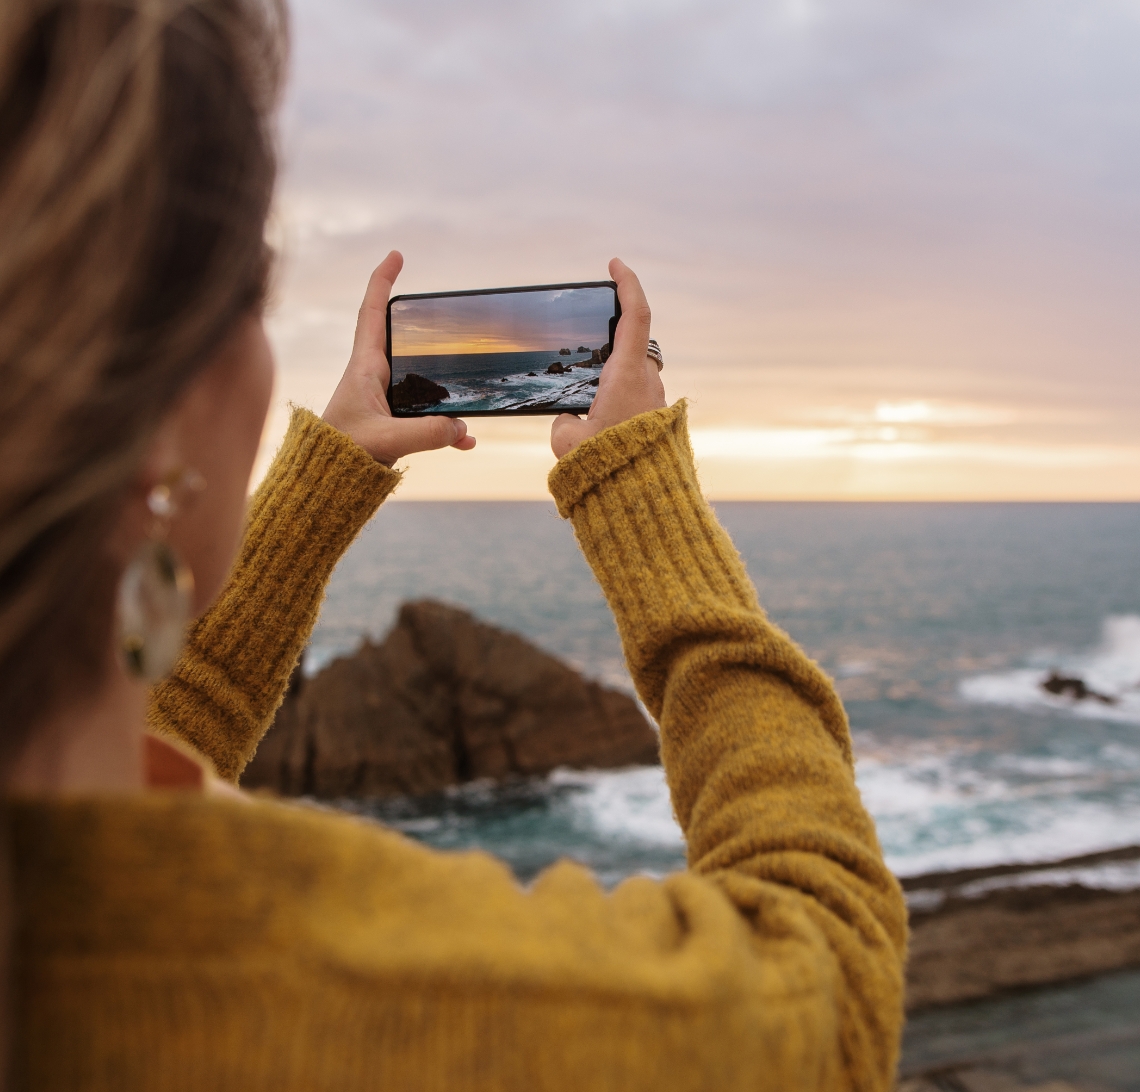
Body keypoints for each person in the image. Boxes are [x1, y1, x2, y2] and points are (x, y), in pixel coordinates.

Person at [0, 0, 907, 1088]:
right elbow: (824, 978)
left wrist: (328, 474)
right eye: (251, 295)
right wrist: (640, 490)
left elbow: (147, 734)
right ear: (176, 404)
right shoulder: (373, 1001)